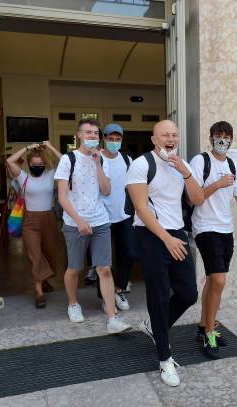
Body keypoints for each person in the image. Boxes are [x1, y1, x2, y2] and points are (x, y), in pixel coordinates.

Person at [126, 120, 204, 387]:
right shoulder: (140, 164)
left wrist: (186, 173)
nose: (170, 139)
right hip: (150, 235)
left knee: (188, 293)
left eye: (174, 135)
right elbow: (141, 207)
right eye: (164, 135)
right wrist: (165, 238)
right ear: (153, 139)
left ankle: (155, 326)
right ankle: (165, 359)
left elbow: (197, 199)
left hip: (177, 232)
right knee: (158, 296)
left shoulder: (183, 165)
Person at [190, 121, 237, 359]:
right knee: (219, 280)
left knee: (214, 281)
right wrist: (218, 184)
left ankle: (203, 324)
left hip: (225, 230)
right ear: (210, 138)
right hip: (205, 227)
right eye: (218, 136)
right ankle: (210, 331)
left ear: (232, 139)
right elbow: (195, 198)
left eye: (226, 136)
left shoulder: (232, 164)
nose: (222, 140)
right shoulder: (200, 161)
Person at [54, 118, 131, 334]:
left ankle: (112, 318)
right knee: (75, 268)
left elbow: (106, 190)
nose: (92, 136)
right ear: (79, 135)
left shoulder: (101, 160)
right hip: (74, 222)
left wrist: (98, 164)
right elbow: (62, 197)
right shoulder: (68, 159)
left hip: (100, 221)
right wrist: (79, 220)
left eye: (95, 133)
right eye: (88, 132)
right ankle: (72, 303)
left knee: (104, 269)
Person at [6, 140, 62, 308]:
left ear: (44, 164)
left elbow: (65, 161)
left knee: (50, 254)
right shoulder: (23, 176)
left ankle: (44, 281)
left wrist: (50, 146)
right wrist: (28, 147)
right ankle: (39, 294)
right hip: (30, 221)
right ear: (29, 164)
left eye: (40, 163)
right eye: (34, 164)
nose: (37, 166)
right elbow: (10, 161)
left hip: (49, 219)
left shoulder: (51, 175)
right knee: (35, 256)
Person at [98, 123, 136, 312]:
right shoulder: (97, 159)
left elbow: (133, 186)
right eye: (111, 139)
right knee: (104, 260)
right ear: (104, 138)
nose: (114, 142)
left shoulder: (128, 159)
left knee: (128, 253)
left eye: (117, 139)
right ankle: (106, 297)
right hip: (101, 217)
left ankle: (118, 289)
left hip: (124, 215)